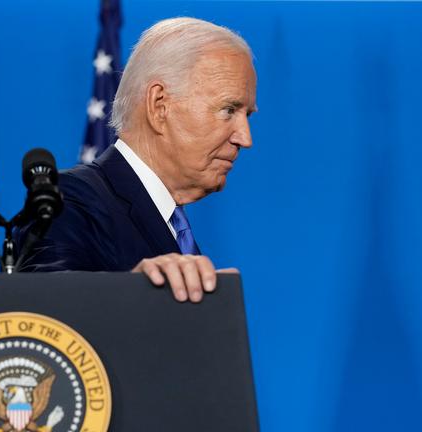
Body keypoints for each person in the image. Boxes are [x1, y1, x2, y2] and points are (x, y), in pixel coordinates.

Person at [16, 17, 257, 304]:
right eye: (229, 109)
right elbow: (38, 313)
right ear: (159, 106)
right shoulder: (68, 200)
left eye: (248, 115)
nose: (245, 137)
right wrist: (129, 295)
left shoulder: (171, 225)